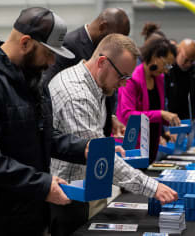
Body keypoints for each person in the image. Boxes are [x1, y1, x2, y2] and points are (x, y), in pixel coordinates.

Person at [0, 7, 93, 235]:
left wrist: (84, 148)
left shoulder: (30, 80)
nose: (52, 62)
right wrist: (42, 185)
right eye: (49, 53)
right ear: (25, 43)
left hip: (19, 216)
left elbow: (41, 134)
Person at [49, 34, 178, 236]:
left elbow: (92, 143)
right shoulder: (77, 96)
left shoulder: (93, 83)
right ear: (102, 62)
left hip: (79, 186)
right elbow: (97, 156)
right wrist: (152, 187)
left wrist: (106, 145)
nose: (125, 84)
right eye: (122, 76)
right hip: (67, 193)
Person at [43, 8, 130, 138]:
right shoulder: (69, 45)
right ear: (103, 26)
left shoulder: (103, 48)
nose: (117, 45)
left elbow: (107, 87)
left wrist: (111, 116)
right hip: (71, 132)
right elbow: (48, 89)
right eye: (114, 38)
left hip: (97, 127)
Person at [117, 38, 180, 164]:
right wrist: (161, 114)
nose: (167, 70)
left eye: (170, 66)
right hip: (132, 147)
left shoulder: (159, 78)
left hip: (151, 146)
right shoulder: (132, 79)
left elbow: (156, 111)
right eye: (166, 64)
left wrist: (170, 125)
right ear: (156, 57)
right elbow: (128, 115)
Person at [165, 39, 195, 120]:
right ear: (178, 52)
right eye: (185, 60)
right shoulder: (167, 70)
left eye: (192, 61)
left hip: (189, 117)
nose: (188, 64)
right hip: (171, 117)